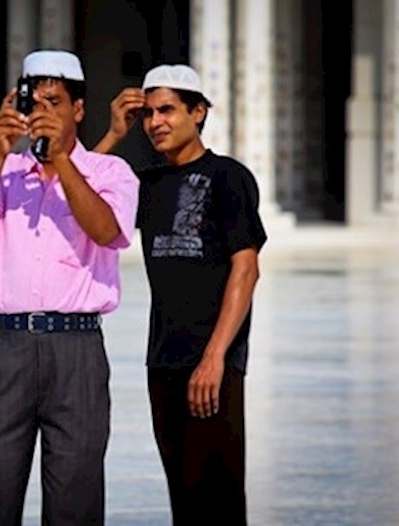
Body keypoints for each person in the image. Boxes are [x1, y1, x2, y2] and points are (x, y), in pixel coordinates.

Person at [0, 49, 139, 525]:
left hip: (76, 349)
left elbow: (107, 230)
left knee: (75, 499)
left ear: (78, 109)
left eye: (55, 102)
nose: (44, 113)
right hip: (5, 347)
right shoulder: (6, 173)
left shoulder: (110, 173)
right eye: (35, 103)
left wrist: (62, 163)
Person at [94, 64, 267, 525]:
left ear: (199, 112)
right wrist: (112, 135)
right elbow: (80, 200)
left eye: (167, 110)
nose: (155, 123)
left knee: (221, 499)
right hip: (163, 363)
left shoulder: (228, 177)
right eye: (148, 113)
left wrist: (214, 358)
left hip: (215, 364)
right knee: (184, 498)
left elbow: (245, 268)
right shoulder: (146, 185)